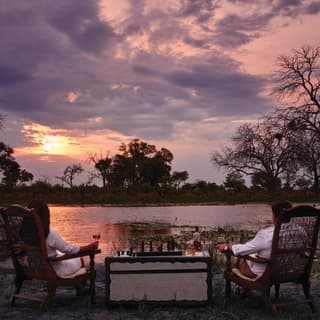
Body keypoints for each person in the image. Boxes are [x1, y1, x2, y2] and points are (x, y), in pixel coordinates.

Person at [217, 200, 306, 279]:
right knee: (255, 252)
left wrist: (227, 246)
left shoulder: (266, 234)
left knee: (241, 258)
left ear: (274, 216)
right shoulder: (301, 231)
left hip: (264, 273)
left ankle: (245, 287)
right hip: (287, 270)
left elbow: (241, 250)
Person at [26, 199, 98, 294]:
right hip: (53, 271)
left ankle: (82, 287)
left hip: (33, 267)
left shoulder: (24, 234)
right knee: (79, 259)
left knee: (61, 254)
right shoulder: (49, 234)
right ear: (45, 216)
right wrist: (89, 247)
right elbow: (68, 249)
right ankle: (82, 286)